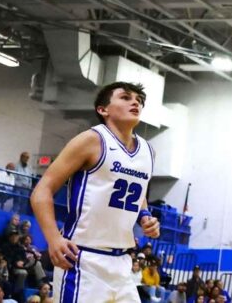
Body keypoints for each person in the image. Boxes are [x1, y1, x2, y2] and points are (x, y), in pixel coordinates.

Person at [30, 81, 161, 303]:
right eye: (125, 97)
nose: (135, 103)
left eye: (139, 100)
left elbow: (139, 194)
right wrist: (53, 239)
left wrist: (145, 216)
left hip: (122, 261)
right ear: (103, 109)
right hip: (84, 259)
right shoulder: (91, 140)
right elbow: (42, 190)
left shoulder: (148, 151)